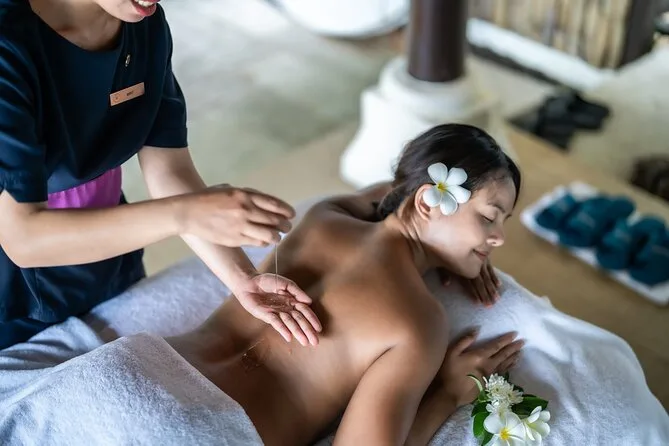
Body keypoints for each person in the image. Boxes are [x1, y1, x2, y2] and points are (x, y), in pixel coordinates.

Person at [165, 123, 524, 445]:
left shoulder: (327, 215)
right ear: (428, 203)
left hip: (151, 371)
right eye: (488, 218)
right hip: (203, 435)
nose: (500, 238)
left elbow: (389, 192)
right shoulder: (420, 322)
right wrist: (449, 392)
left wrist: (462, 241)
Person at [0, 0, 321, 349]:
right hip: (16, 295)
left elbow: (170, 168)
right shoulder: (9, 48)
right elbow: (23, 239)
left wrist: (243, 278)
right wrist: (187, 214)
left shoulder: (142, 25)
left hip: (110, 260)